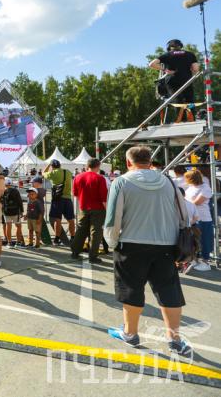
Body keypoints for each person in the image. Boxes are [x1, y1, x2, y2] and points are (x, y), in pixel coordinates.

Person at [104, 145, 191, 357]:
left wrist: (112, 242)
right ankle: (174, 339)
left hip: (131, 244)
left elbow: (113, 218)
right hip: (166, 244)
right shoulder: (168, 182)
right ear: (150, 161)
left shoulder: (121, 182)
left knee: (131, 289)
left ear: (128, 162)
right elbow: (183, 215)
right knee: (169, 290)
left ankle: (130, 333)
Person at [149, 39, 200, 123]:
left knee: (178, 101)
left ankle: (182, 121)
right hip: (187, 80)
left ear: (169, 47)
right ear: (181, 46)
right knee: (189, 100)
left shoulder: (167, 55)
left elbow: (151, 64)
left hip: (172, 81)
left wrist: (165, 70)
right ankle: (191, 120)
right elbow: (196, 69)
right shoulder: (190, 54)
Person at [71, 158, 108, 263]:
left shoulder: (78, 177)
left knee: (81, 230)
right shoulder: (100, 178)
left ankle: (75, 252)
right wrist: (107, 210)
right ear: (98, 166)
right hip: (98, 208)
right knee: (96, 232)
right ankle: (93, 256)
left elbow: (75, 194)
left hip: (83, 207)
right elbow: (103, 197)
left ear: (87, 166)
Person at [183, 169, 213, 272]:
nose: (186, 180)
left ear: (192, 179)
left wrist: (185, 202)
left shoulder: (205, 188)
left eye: (187, 178)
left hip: (203, 219)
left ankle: (206, 262)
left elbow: (197, 202)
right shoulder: (191, 187)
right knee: (193, 241)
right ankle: (195, 260)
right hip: (192, 218)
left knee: (204, 240)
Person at [43, 159, 75, 244]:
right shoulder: (67, 172)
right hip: (68, 198)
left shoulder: (53, 173)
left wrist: (48, 165)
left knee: (57, 220)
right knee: (71, 219)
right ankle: (73, 237)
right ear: (60, 165)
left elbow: (43, 173)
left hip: (58, 199)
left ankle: (57, 239)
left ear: (52, 166)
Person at [1, 178, 24, 247]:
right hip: (15, 211)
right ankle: (18, 242)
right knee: (19, 226)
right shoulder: (15, 191)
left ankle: (9, 243)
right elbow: (19, 201)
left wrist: (2, 210)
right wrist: (22, 211)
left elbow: (1, 202)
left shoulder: (2, 191)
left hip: (6, 211)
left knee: (8, 226)